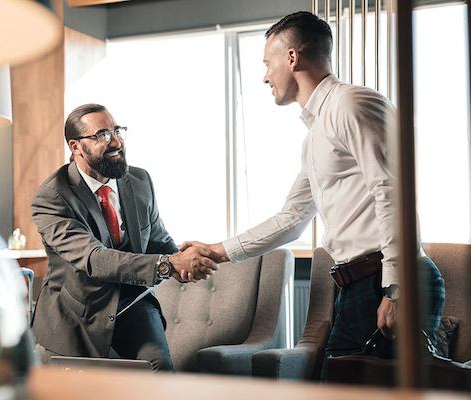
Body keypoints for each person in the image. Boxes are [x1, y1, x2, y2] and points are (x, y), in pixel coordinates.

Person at [181, 11, 444, 377]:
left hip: (386, 282)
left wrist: (395, 288)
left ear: (292, 57)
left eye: (267, 63)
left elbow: (392, 191)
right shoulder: (315, 135)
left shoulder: (352, 104)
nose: (264, 76)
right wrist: (216, 251)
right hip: (358, 286)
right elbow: (291, 219)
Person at [31, 103, 218, 372]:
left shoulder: (140, 181)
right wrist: (167, 264)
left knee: (160, 370)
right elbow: (93, 259)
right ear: (75, 147)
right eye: (102, 135)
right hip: (76, 315)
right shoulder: (52, 196)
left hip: (134, 305)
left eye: (118, 131)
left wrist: (184, 258)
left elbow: (156, 240)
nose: (116, 141)